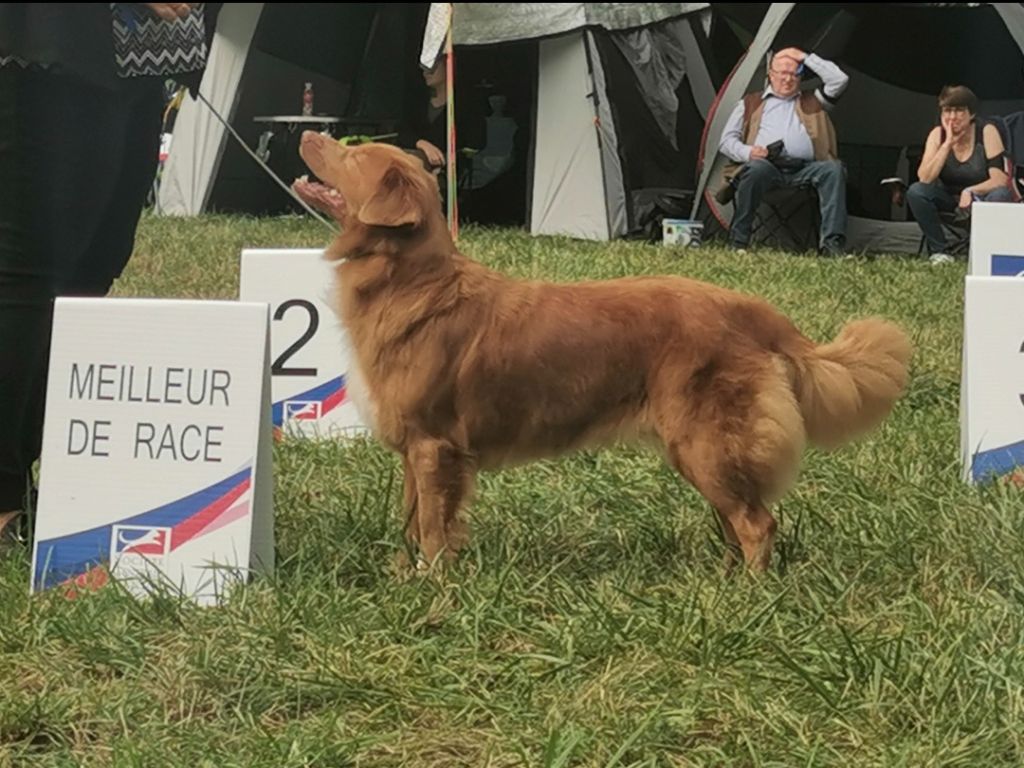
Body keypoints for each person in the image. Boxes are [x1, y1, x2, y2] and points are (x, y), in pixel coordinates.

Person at [0, 3, 219, 547]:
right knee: (29, 269)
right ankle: (3, 497)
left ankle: (27, 468)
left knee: (94, 262)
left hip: (140, 57)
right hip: (40, 48)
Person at [718, 47, 850, 256]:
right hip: (767, 167)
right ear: (770, 74)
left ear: (801, 76)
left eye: (794, 74)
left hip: (806, 169)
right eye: (782, 73)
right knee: (755, 169)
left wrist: (805, 57)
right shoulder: (750, 103)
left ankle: (832, 246)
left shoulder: (815, 100)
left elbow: (839, 79)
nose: (787, 79)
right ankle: (738, 242)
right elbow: (726, 141)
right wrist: (749, 152)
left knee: (833, 169)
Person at [906, 85, 1013, 264]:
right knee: (916, 192)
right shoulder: (937, 135)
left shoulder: (986, 131)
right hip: (948, 199)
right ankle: (940, 251)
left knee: (1001, 194)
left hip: (981, 198)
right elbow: (924, 178)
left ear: (971, 114)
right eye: (947, 111)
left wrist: (970, 191)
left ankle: (984, 252)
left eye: (959, 111)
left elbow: (1000, 180)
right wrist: (947, 144)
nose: (952, 117)